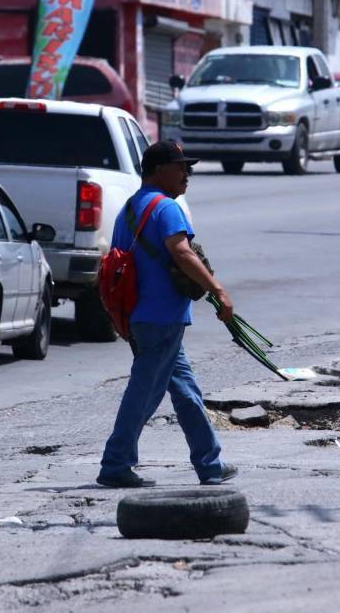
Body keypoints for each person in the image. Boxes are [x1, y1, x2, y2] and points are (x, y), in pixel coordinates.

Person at [97, 141, 237, 489]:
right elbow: (182, 253)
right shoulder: (167, 209)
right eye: (181, 167)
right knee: (143, 393)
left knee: (185, 390)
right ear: (159, 170)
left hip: (139, 317)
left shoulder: (129, 209)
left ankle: (210, 464)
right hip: (160, 318)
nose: (187, 174)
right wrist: (217, 290)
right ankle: (116, 462)